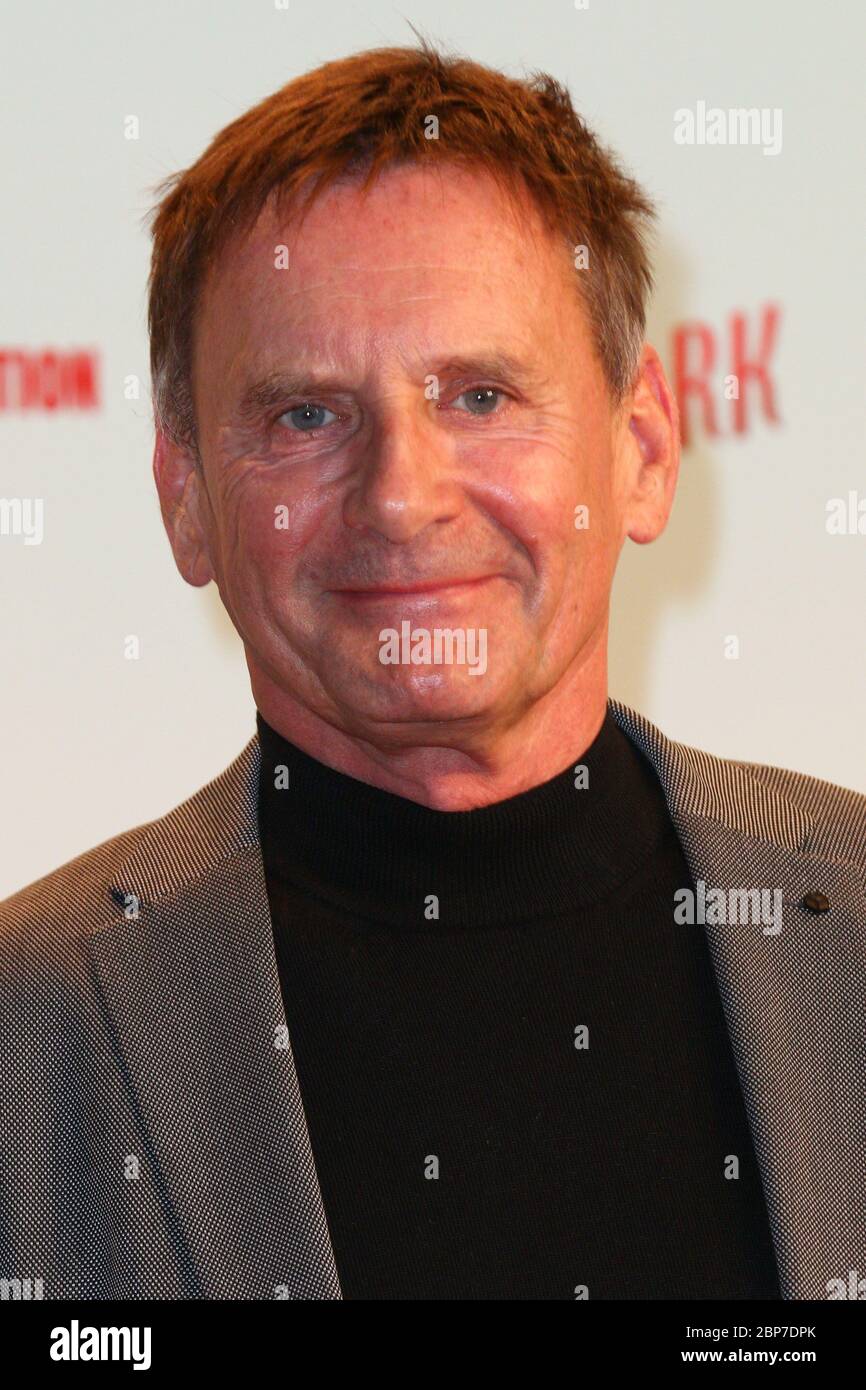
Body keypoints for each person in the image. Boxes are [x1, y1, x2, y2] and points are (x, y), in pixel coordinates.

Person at [1, 41, 863, 1302]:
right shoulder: (33, 1030)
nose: (402, 499)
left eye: (478, 395)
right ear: (185, 501)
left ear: (640, 450)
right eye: (305, 414)